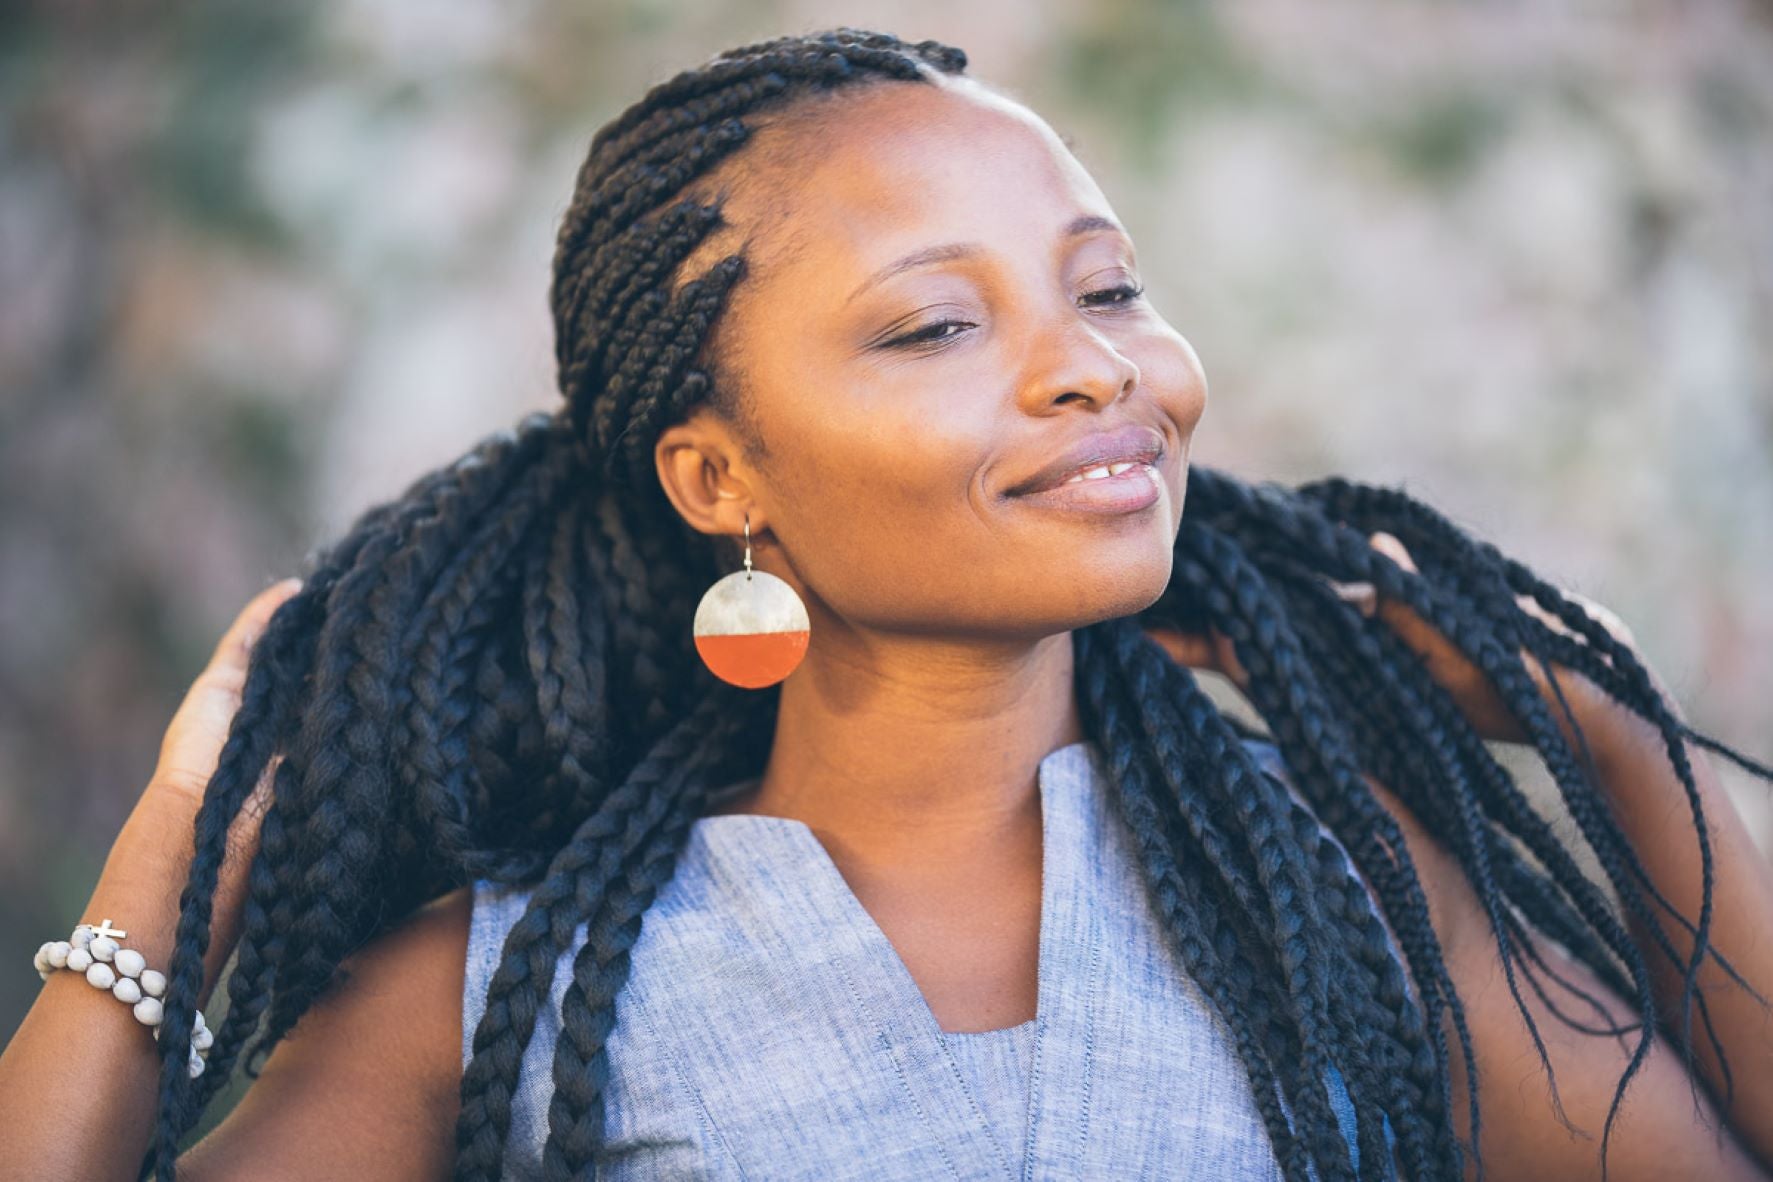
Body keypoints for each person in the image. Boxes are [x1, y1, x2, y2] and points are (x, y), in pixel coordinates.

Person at [2, 25, 1770, 1182]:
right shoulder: (490, 990)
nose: (1089, 370)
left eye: (1106, 289)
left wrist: (1606, 737)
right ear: (720, 478)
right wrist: (173, 853)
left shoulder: (1335, 891)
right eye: (936, 323)